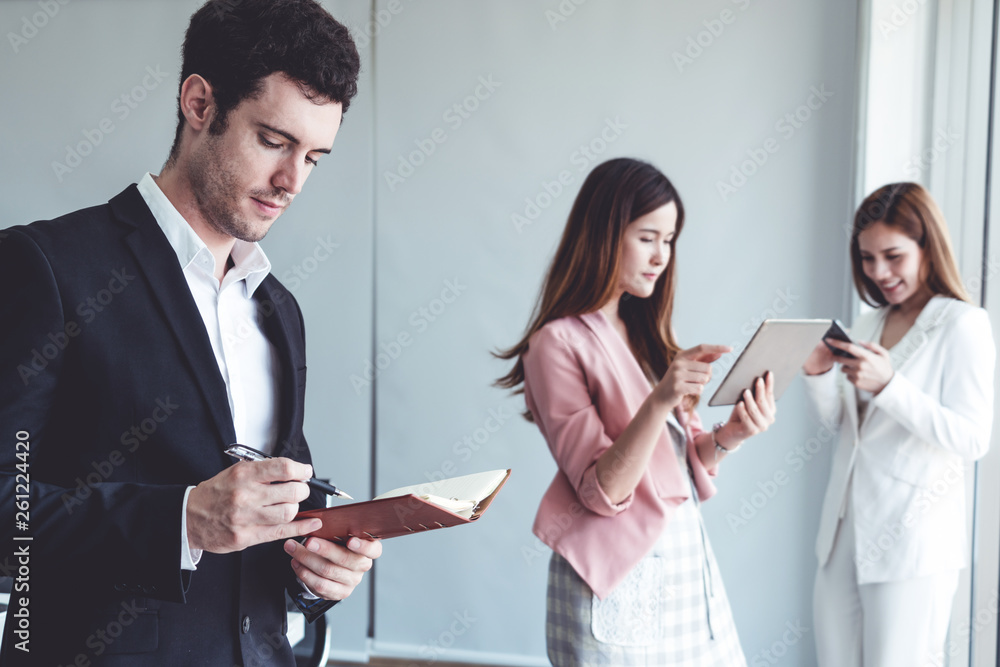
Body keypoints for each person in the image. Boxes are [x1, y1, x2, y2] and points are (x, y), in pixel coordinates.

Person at [0, 1, 380, 665]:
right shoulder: (48, 267)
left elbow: (267, 518)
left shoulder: (278, 308)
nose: (292, 181)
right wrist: (180, 520)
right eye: (274, 141)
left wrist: (316, 570)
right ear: (199, 103)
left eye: (315, 157)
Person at [495, 157, 777, 665]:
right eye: (648, 237)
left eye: (669, 240)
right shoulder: (555, 345)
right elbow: (603, 491)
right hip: (623, 576)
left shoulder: (644, 335)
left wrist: (731, 435)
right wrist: (661, 399)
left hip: (685, 563)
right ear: (605, 234)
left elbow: (683, 461)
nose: (661, 256)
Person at [802, 182, 995, 666]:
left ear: (927, 246)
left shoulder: (963, 325)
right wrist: (818, 373)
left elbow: (973, 438)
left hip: (912, 539)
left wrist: (891, 387)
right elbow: (844, 426)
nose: (879, 272)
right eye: (867, 258)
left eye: (893, 256)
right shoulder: (867, 324)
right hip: (843, 533)